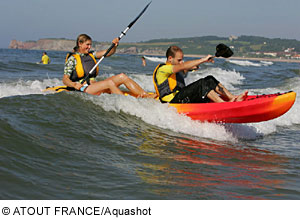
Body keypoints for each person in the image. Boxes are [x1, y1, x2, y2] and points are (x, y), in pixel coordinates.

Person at [63, 34, 156, 98]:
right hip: (84, 89)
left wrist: (114, 45)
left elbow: (108, 52)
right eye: (87, 45)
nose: (89, 47)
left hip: (94, 85)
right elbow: (65, 79)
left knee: (122, 76)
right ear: (80, 44)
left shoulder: (92, 55)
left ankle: (145, 95)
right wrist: (74, 85)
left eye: (90, 45)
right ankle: (127, 103)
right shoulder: (72, 59)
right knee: (109, 83)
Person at [153, 45, 248, 103]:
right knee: (202, 84)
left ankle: (233, 98)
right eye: (179, 60)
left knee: (209, 79)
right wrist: (202, 60)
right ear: (170, 58)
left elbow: (186, 68)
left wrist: (197, 65)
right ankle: (224, 105)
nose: (181, 62)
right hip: (171, 102)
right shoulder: (163, 69)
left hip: (181, 98)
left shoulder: (177, 69)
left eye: (182, 59)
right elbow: (183, 67)